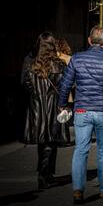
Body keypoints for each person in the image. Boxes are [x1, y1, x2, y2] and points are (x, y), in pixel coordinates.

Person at [59, 26, 103, 203]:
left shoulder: (77, 58)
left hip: (81, 110)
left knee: (80, 150)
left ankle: (78, 191)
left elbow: (65, 84)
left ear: (89, 40)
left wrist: (62, 105)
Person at [23, 31, 68, 189]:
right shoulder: (59, 64)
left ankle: (46, 173)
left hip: (36, 107)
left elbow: (24, 83)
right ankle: (44, 175)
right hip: (53, 107)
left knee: (43, 142)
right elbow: (64, 87)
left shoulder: (30, 63)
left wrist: (35, 96)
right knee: (50, 142)